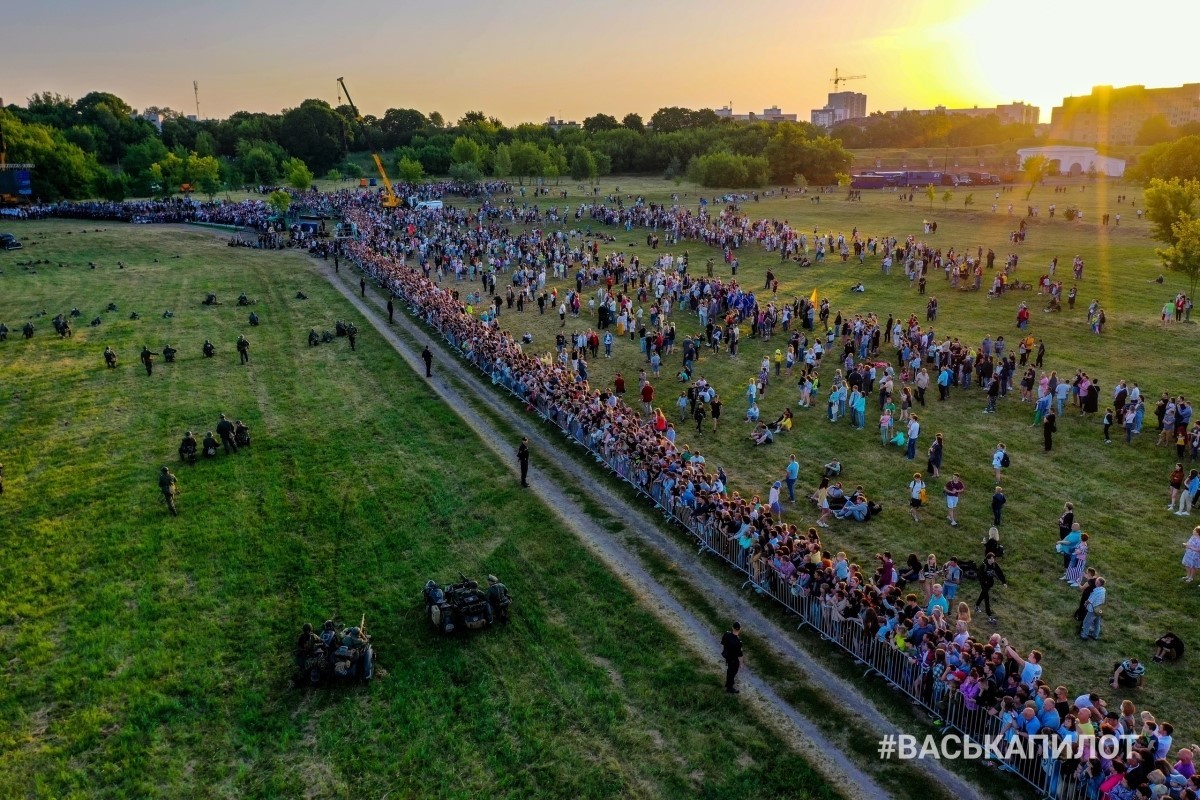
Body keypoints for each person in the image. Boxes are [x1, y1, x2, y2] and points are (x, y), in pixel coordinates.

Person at [975, 552, 1008, 624]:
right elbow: (979, 575)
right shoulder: (983, 566)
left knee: (983, 594)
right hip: (984, 583)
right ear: (988, 559)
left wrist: (1004, 582)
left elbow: (1000, 573)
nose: (993, 560)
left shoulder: (994, 565)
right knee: (986, 598)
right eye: (992, 558)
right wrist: (984, 581)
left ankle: (977, 605)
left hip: (989, 584)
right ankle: (989, 616)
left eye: (993, 558)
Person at [721, 621, 745, 694]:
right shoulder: (738, 642)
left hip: (727, 656)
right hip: (734, 660)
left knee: (729, 670)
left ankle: (728, 683)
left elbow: (723, 643)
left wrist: (725, 652)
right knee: (733, 672)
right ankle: (730, 688)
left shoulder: (726, 634)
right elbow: (740, 655)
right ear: (739, 629)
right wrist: (741, 663)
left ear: (732, 628)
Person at [1080, 576, 1106, 640]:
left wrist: (1085, 604)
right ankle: (1095, 636)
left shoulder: (1095, 592)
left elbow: (1089, 600)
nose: (1095, 581)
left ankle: (1084, 635)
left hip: (1093, 610)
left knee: (1086, 622)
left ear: (1098, 583)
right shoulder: (1103, 590)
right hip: (1099, 609)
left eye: (1096, 581)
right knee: (1097, 623)